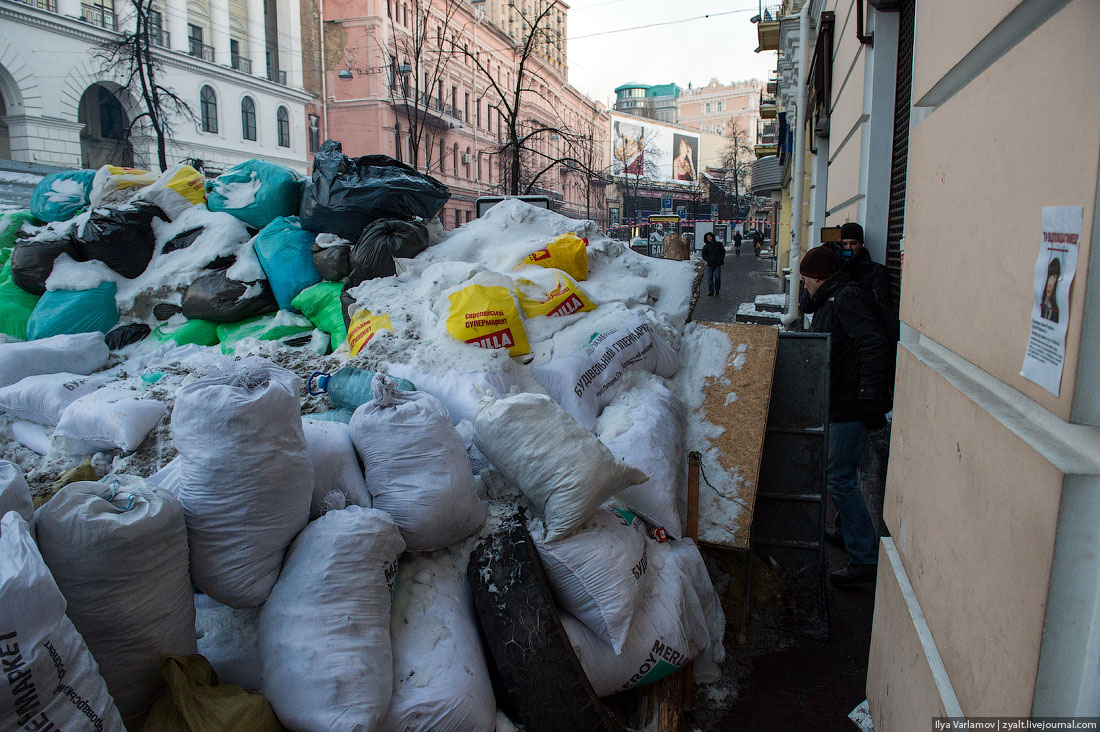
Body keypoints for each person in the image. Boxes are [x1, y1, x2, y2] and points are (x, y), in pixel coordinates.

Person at [799, 246, 892, 588]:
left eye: (805, 280)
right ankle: (846, 532)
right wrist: (808, 295)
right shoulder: (832, 297)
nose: (803, 285)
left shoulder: (847, 299)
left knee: (840, 477)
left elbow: (872, 344)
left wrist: (868, 396)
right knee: (841, 474)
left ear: (820, 277)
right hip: (842, 399)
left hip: (851, 403)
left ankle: (864, 559)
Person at [837, 222, 889, 304]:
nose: (848, 248)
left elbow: (880, 301)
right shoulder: (835, 268)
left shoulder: (878, 271)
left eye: (853, 243)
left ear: (861, 245)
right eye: (844, 244)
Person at [1041, 257, 1060, 323]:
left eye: (1053, 278)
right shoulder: (1040, 306)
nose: (1050, 284)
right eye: (1049, 278)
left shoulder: (1056, 311)